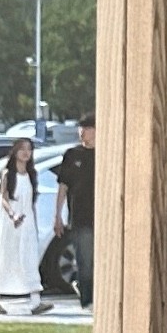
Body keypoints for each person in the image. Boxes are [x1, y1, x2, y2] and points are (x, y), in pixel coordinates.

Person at [0, 136, 50, 317]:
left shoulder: (32, 174)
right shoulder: (8, 174)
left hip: (27, 223)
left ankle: (35, 300)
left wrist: (34, 224)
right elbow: (4, 198)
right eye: (22, 149)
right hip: (10, 224)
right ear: (15, 151)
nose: (26, 153)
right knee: (5, 258)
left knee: (29, 258)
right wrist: (12, 215)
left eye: (29, 149)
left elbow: (31, 202)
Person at [52, 114, 97, 310]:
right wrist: (58, 215)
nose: (82, 132)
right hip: (80, 217)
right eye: (81, 128)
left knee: (101, 261)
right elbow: (63, 186)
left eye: (87, 128)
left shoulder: (106, 154)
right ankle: (87, 300)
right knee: (84, 260)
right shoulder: (72, 155)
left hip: (103, 217)